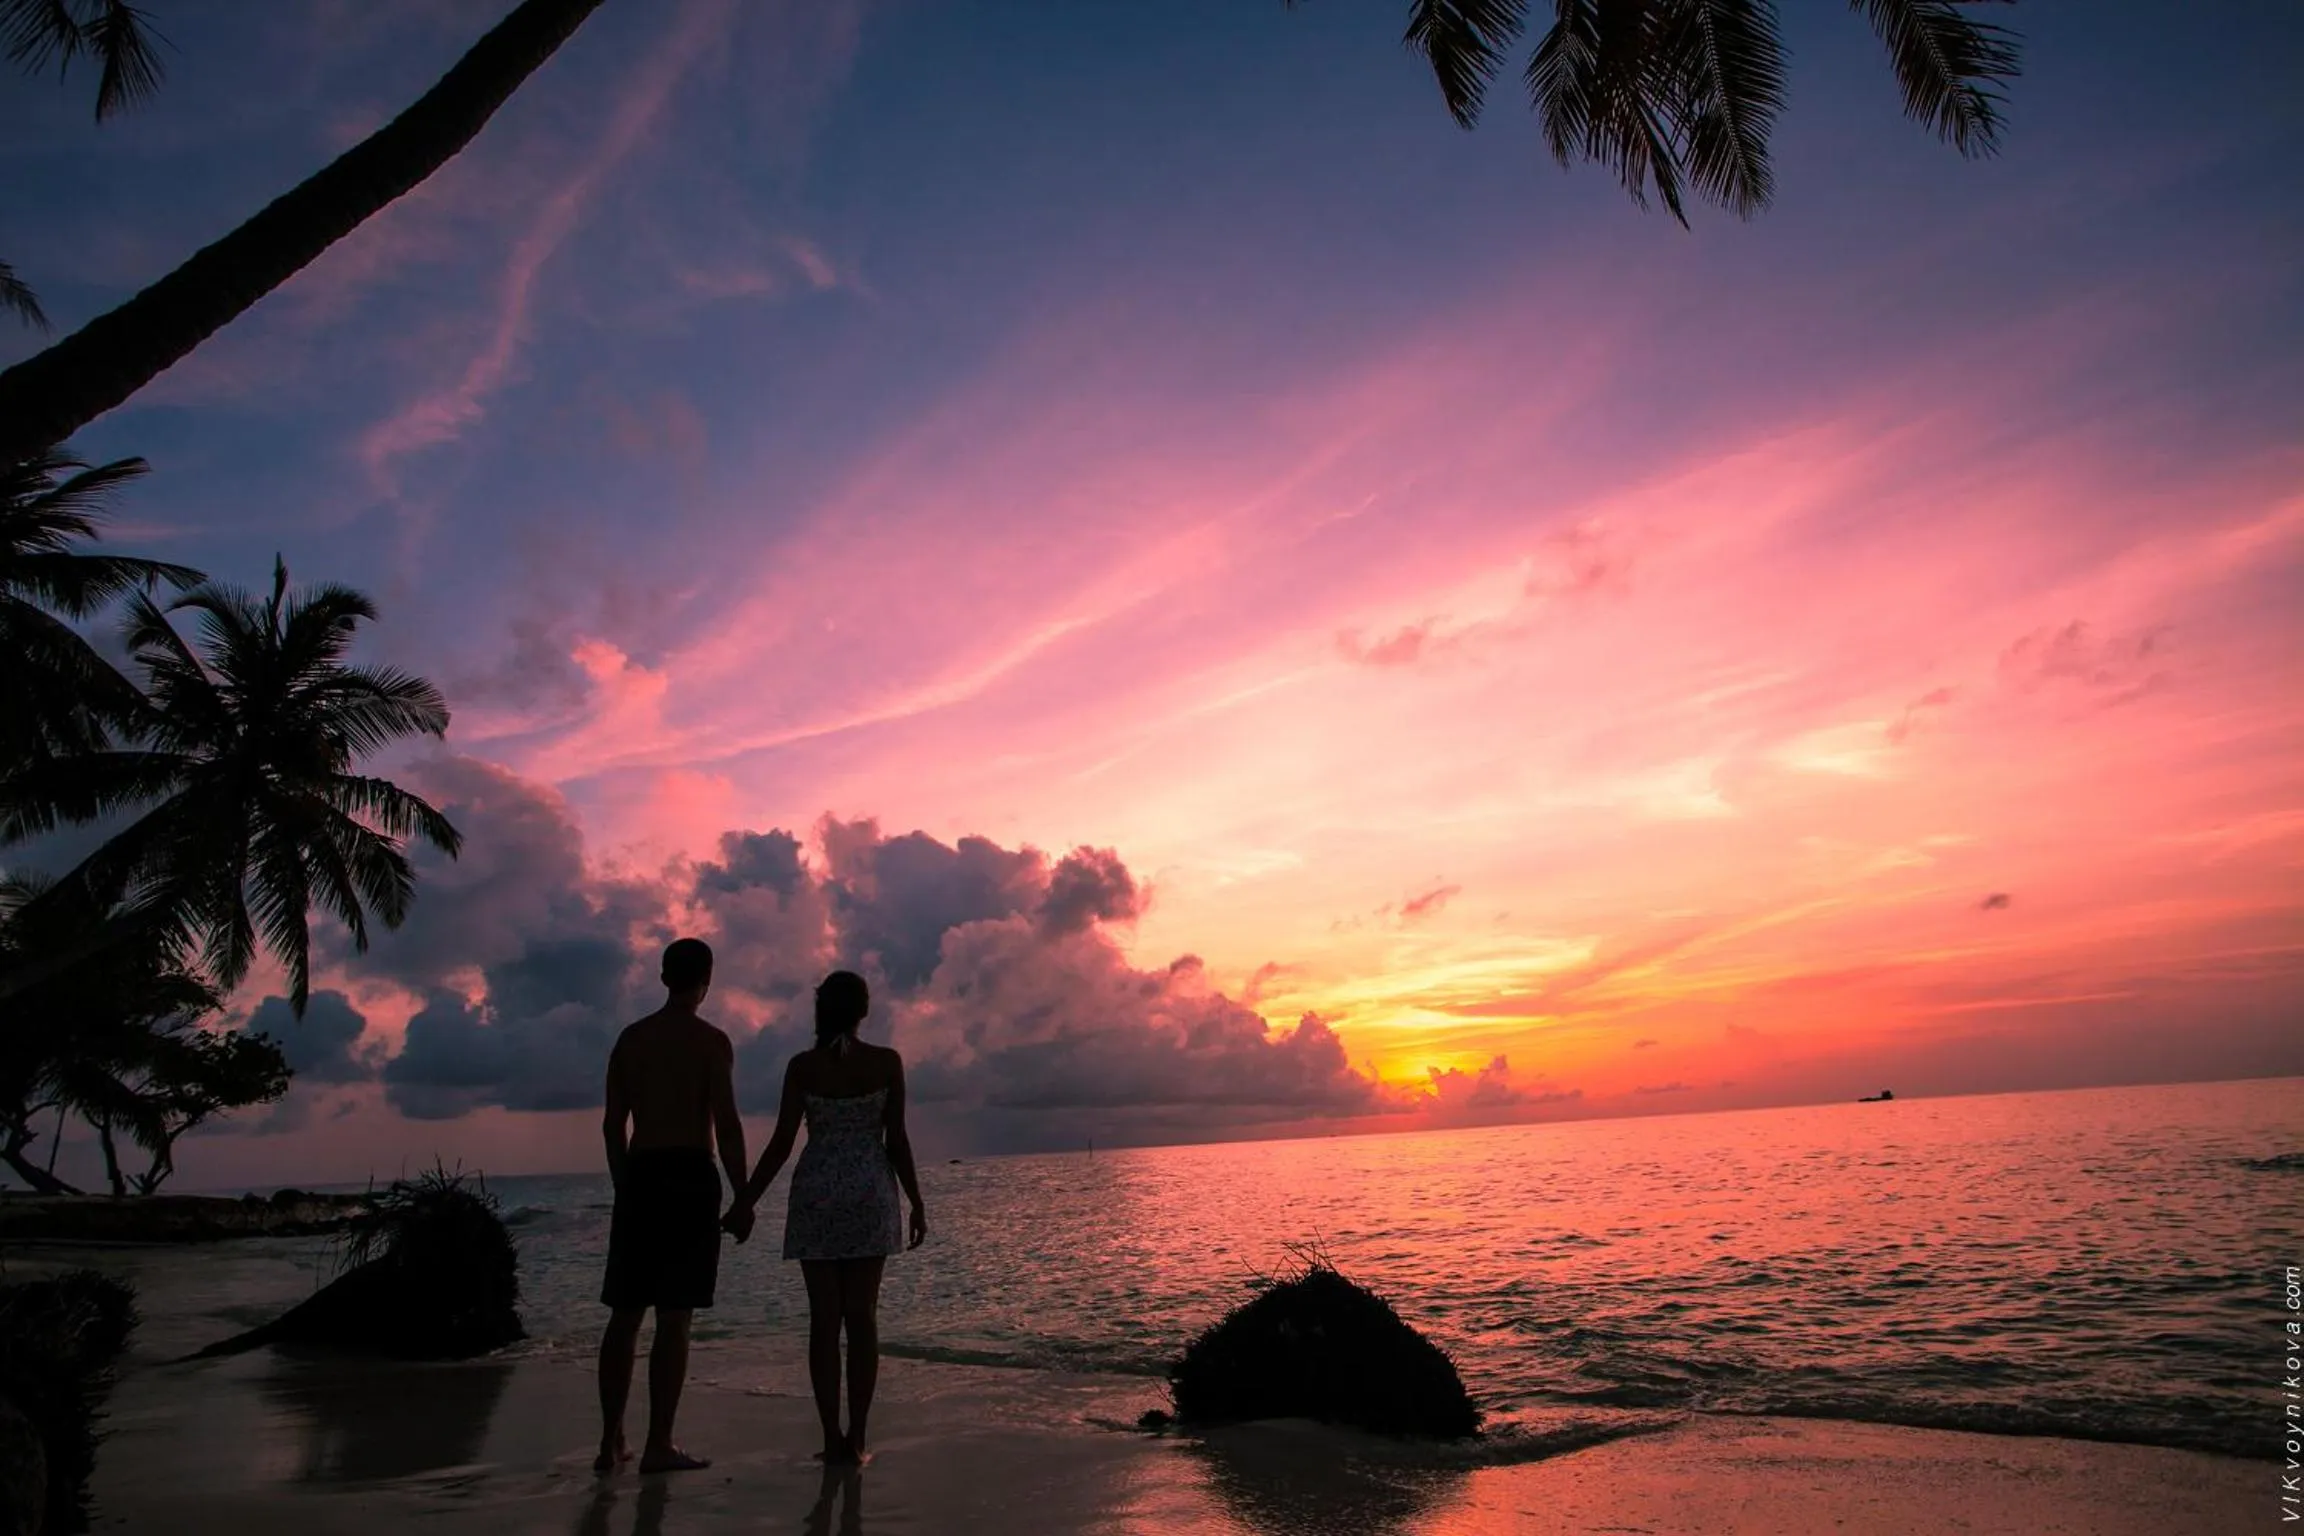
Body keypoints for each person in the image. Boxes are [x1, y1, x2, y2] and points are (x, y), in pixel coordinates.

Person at [724, 970, 927, 1464]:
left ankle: (830, 1438)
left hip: (816, 1193)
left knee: (823, 1322)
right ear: (863, 1011)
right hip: (869, 1194)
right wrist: (917, 1201)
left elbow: (781, 1143)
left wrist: (746, 1200)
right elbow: (895, 1140)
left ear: (821, 1011)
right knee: (862, 1320)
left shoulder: (802, 1067)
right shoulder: (886, 1062)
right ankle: (858, 1438)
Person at [594, 937, 747, 1475]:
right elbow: (726, 1125)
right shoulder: (711, 1042)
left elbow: (614, 1125)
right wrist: (743, 1193)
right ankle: (658, 1442)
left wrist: (623, 1184)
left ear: (663, 978)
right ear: (707, 980)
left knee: (625, 1314)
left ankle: (611, 1441)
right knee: (674, 1318)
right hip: (689, 1173)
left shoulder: (630, 1040)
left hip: (641, 1173)